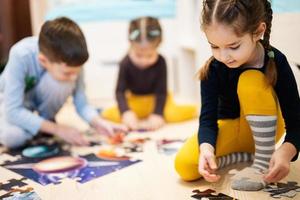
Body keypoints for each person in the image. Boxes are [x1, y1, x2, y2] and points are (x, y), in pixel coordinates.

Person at [174, 0, 300, 191]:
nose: (223, 57)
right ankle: (244, 156)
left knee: (250, 80)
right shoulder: (214, 67)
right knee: (185, 166)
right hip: (233, 128)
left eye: (233, 46)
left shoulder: (276, 60)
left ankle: (263, 159)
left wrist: (285, 152)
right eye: (214, 46)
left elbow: (297, 124)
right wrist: (206, 149)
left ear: (258, 31)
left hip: (267, 132)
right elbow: (207, 119)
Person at [0, 17, 126, 148]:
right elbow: (12, 111)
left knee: (62, 83)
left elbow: (81, 103)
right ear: (43, 60)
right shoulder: (21, 54)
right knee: (13, 137)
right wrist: (57, 129)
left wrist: (99, 123)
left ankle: (42, 126)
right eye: (67, 73)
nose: (73, 78)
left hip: (34, 107)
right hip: (7, 104)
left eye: (76, 72)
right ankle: (42, 128)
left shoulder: (73, 59)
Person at [102, 16, 197, 131]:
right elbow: (120, 92)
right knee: (109, 114)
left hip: (157, 99)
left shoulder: (161, 61)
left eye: (150, 56)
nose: (144, 61)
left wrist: (158, 113)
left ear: (158, 46)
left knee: (172, 114)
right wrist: (126, 112)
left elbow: (161, 92)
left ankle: (195, 109)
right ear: (131, 45)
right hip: (135, 100)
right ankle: (136, 114)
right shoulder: (125, 63)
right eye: (139, 55)